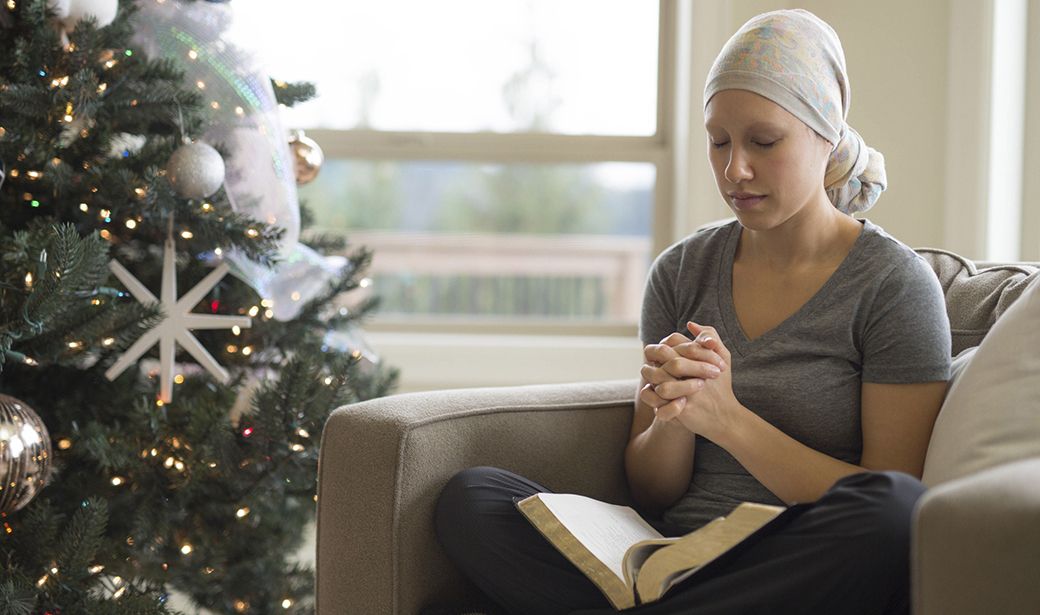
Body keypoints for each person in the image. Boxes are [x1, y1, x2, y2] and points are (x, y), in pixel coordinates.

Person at [432, 9, 951, 615]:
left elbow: (895, 492)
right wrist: (674, 419)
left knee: (895, 512)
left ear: (827, 133)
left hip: (791, 565)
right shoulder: (682, 271)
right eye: (718, 141)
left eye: (763, 141)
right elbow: (651, 489)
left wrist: (728, 420)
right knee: (473, 497)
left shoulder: (893, 285)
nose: (736, 170)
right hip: (666, 550)